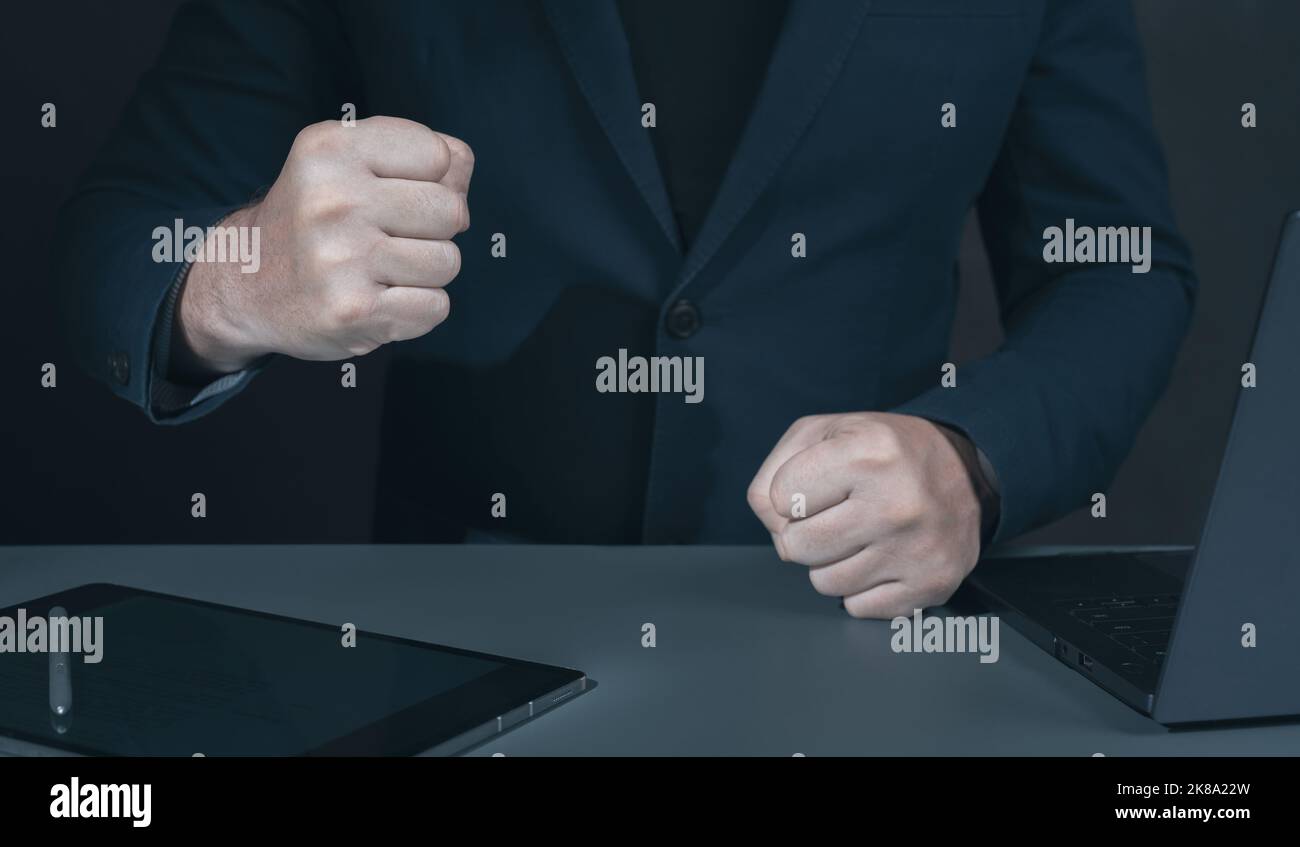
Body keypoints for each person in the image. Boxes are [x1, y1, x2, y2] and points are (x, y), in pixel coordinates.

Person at [55, 0, 1196, 619]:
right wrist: (245, 275)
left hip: (850, 637)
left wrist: (973, 459)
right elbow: (117, 237)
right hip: (454, 652)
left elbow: (1117, 264)